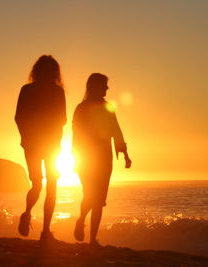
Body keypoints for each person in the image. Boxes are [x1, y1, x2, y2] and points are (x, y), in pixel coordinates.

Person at [72, 73, 131, 247]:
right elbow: (75, 134)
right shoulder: (81, 108)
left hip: (105, 159)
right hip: (85, 158)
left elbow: (116, 131)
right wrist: (74, 157)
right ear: (96, 86)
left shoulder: (108, 107)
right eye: (105, 84)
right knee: (91, 196)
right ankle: (81, 219)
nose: (107, 88)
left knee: (99, 200)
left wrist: (125, 154)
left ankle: (92, 240)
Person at [15, 55, 66, 241]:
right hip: (47, 144)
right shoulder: (56, 92)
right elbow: (62, 120)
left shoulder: (28, 90)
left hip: (38, 145)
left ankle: (36, 222)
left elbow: (19, 117)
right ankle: (42, 228)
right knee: (47, 185)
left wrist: (25, 137)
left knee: (40, 185)